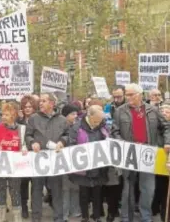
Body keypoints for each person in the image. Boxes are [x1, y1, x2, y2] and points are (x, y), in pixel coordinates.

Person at [111, 83, 170, 222]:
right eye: (127, 94)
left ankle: (146, 217)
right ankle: (126, 217)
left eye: (131, 94)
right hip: (129, 154)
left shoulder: (152, 110)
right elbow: (114, 132)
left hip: (148, 154)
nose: (128, 97)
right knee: (127, 189)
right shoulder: (120, 111)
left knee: (148, 188)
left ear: (140, 94)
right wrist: (124, 145)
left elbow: (166, 127)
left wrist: (167, 142)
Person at [25, 92, 69, 222]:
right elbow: (28, 135)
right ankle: (36, 218)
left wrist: (63, 141)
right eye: (40, 101)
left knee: (57, 191)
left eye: (43, 101)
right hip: (38, 160)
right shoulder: (33, 118)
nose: (40, 103)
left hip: (55, 161)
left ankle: (58, 218)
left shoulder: (62, 119)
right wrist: (32, 143)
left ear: (51, 103)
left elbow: (68, 134)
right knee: (36, 191)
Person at [68, 105, 108, 222]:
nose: (98, 123)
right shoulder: (77, 126)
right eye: (96, 121)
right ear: (89, 116)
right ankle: (85, 216)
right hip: (83, 166)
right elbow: (71, 143)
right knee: (84, 193)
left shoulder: (103, 124)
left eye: (100, 120)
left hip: (98, 165)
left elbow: (109, 139)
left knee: (97, 192)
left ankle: (96, 216)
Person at [0, 102, 27, 222]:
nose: (3, 117)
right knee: (0, 189)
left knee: (15, 190)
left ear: (14, 114)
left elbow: (24, 145)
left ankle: (17, 216)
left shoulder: (22, 129)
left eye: (6, 114)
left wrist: (25, 149)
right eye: (3, 114)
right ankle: (1, 215)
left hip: (15, 166)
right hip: (1, 164)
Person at [17, 95, 38, 219]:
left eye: (30, 106)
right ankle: (24, 207)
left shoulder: (37, 120)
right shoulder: (19, 121)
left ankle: (34, 206)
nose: (28, 109)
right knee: (23, 183)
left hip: (34, 155)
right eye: (25, 107)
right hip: (22, 156)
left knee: (35, 183)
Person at [61, 104, 81, 221]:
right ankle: (64, 213)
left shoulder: (79, 127)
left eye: (76, 114)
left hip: (75, 161)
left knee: (75, 187)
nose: (75, 116)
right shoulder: (61, 126)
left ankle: (75, 210)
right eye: (72, 114)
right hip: (63, 161)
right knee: (65, 188)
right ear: (66, 115)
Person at [153, 103, 170, 222]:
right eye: (162, 112)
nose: (164, 113)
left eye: (167, 112)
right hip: (160, 166)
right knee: (160, 190)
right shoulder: (156, 129)